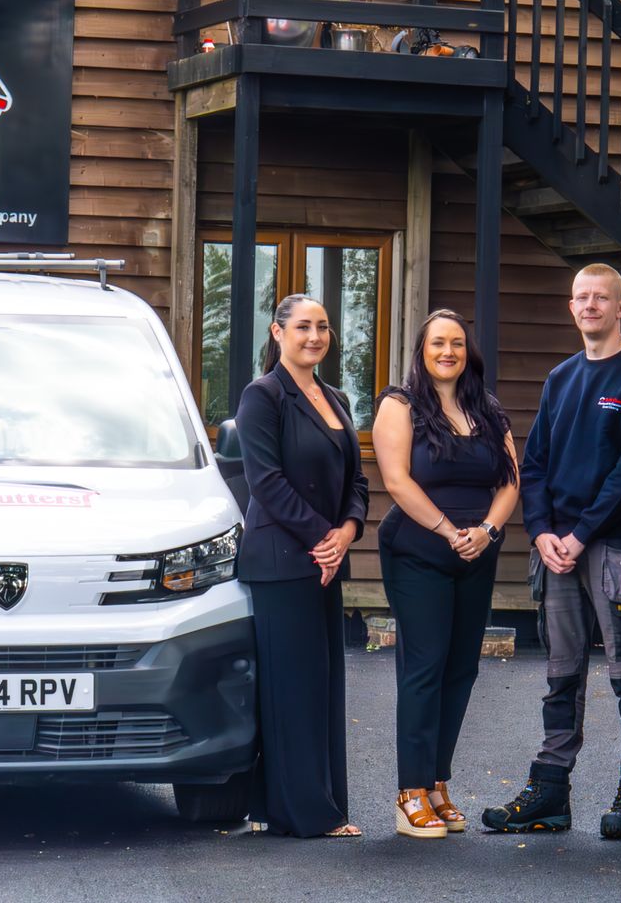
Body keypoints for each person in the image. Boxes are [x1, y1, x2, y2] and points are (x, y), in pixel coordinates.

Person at [483, 264, 621, 837]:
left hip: (611, 547)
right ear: (571, 307)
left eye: (601, 298)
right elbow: (533, 462)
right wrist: (540, 530)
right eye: (581, 297)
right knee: (561, 674)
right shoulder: (560, 377)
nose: (590, 305)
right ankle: (550, 790)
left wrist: (580, 532)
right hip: (554, 550)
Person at [372, 309, 520, 839]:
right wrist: (447, 530)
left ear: (467, 351)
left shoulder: (487, 408)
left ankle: (437, 782)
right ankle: (409, 792)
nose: (448, 352)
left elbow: (509, 481)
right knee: (425, 667)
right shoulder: (401, 404)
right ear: (423, 348)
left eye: (457, 343)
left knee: (462, 669)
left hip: (476, 552)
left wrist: (485, 530)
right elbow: (395, 478)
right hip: (417, 549)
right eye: (438, 343)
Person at [234, 294, 368, 839]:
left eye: (323, 328)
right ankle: (303, 814)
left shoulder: (335, 397)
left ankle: (321, 804)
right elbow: (265, 482)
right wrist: (323, 539)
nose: (315, 336)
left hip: (325, 560)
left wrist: (347, 532)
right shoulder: (262, 396)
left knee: (323, 686)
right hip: (283, 562)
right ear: (277, 332)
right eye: (304, 327)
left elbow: (356, 482)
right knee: (291, 689)